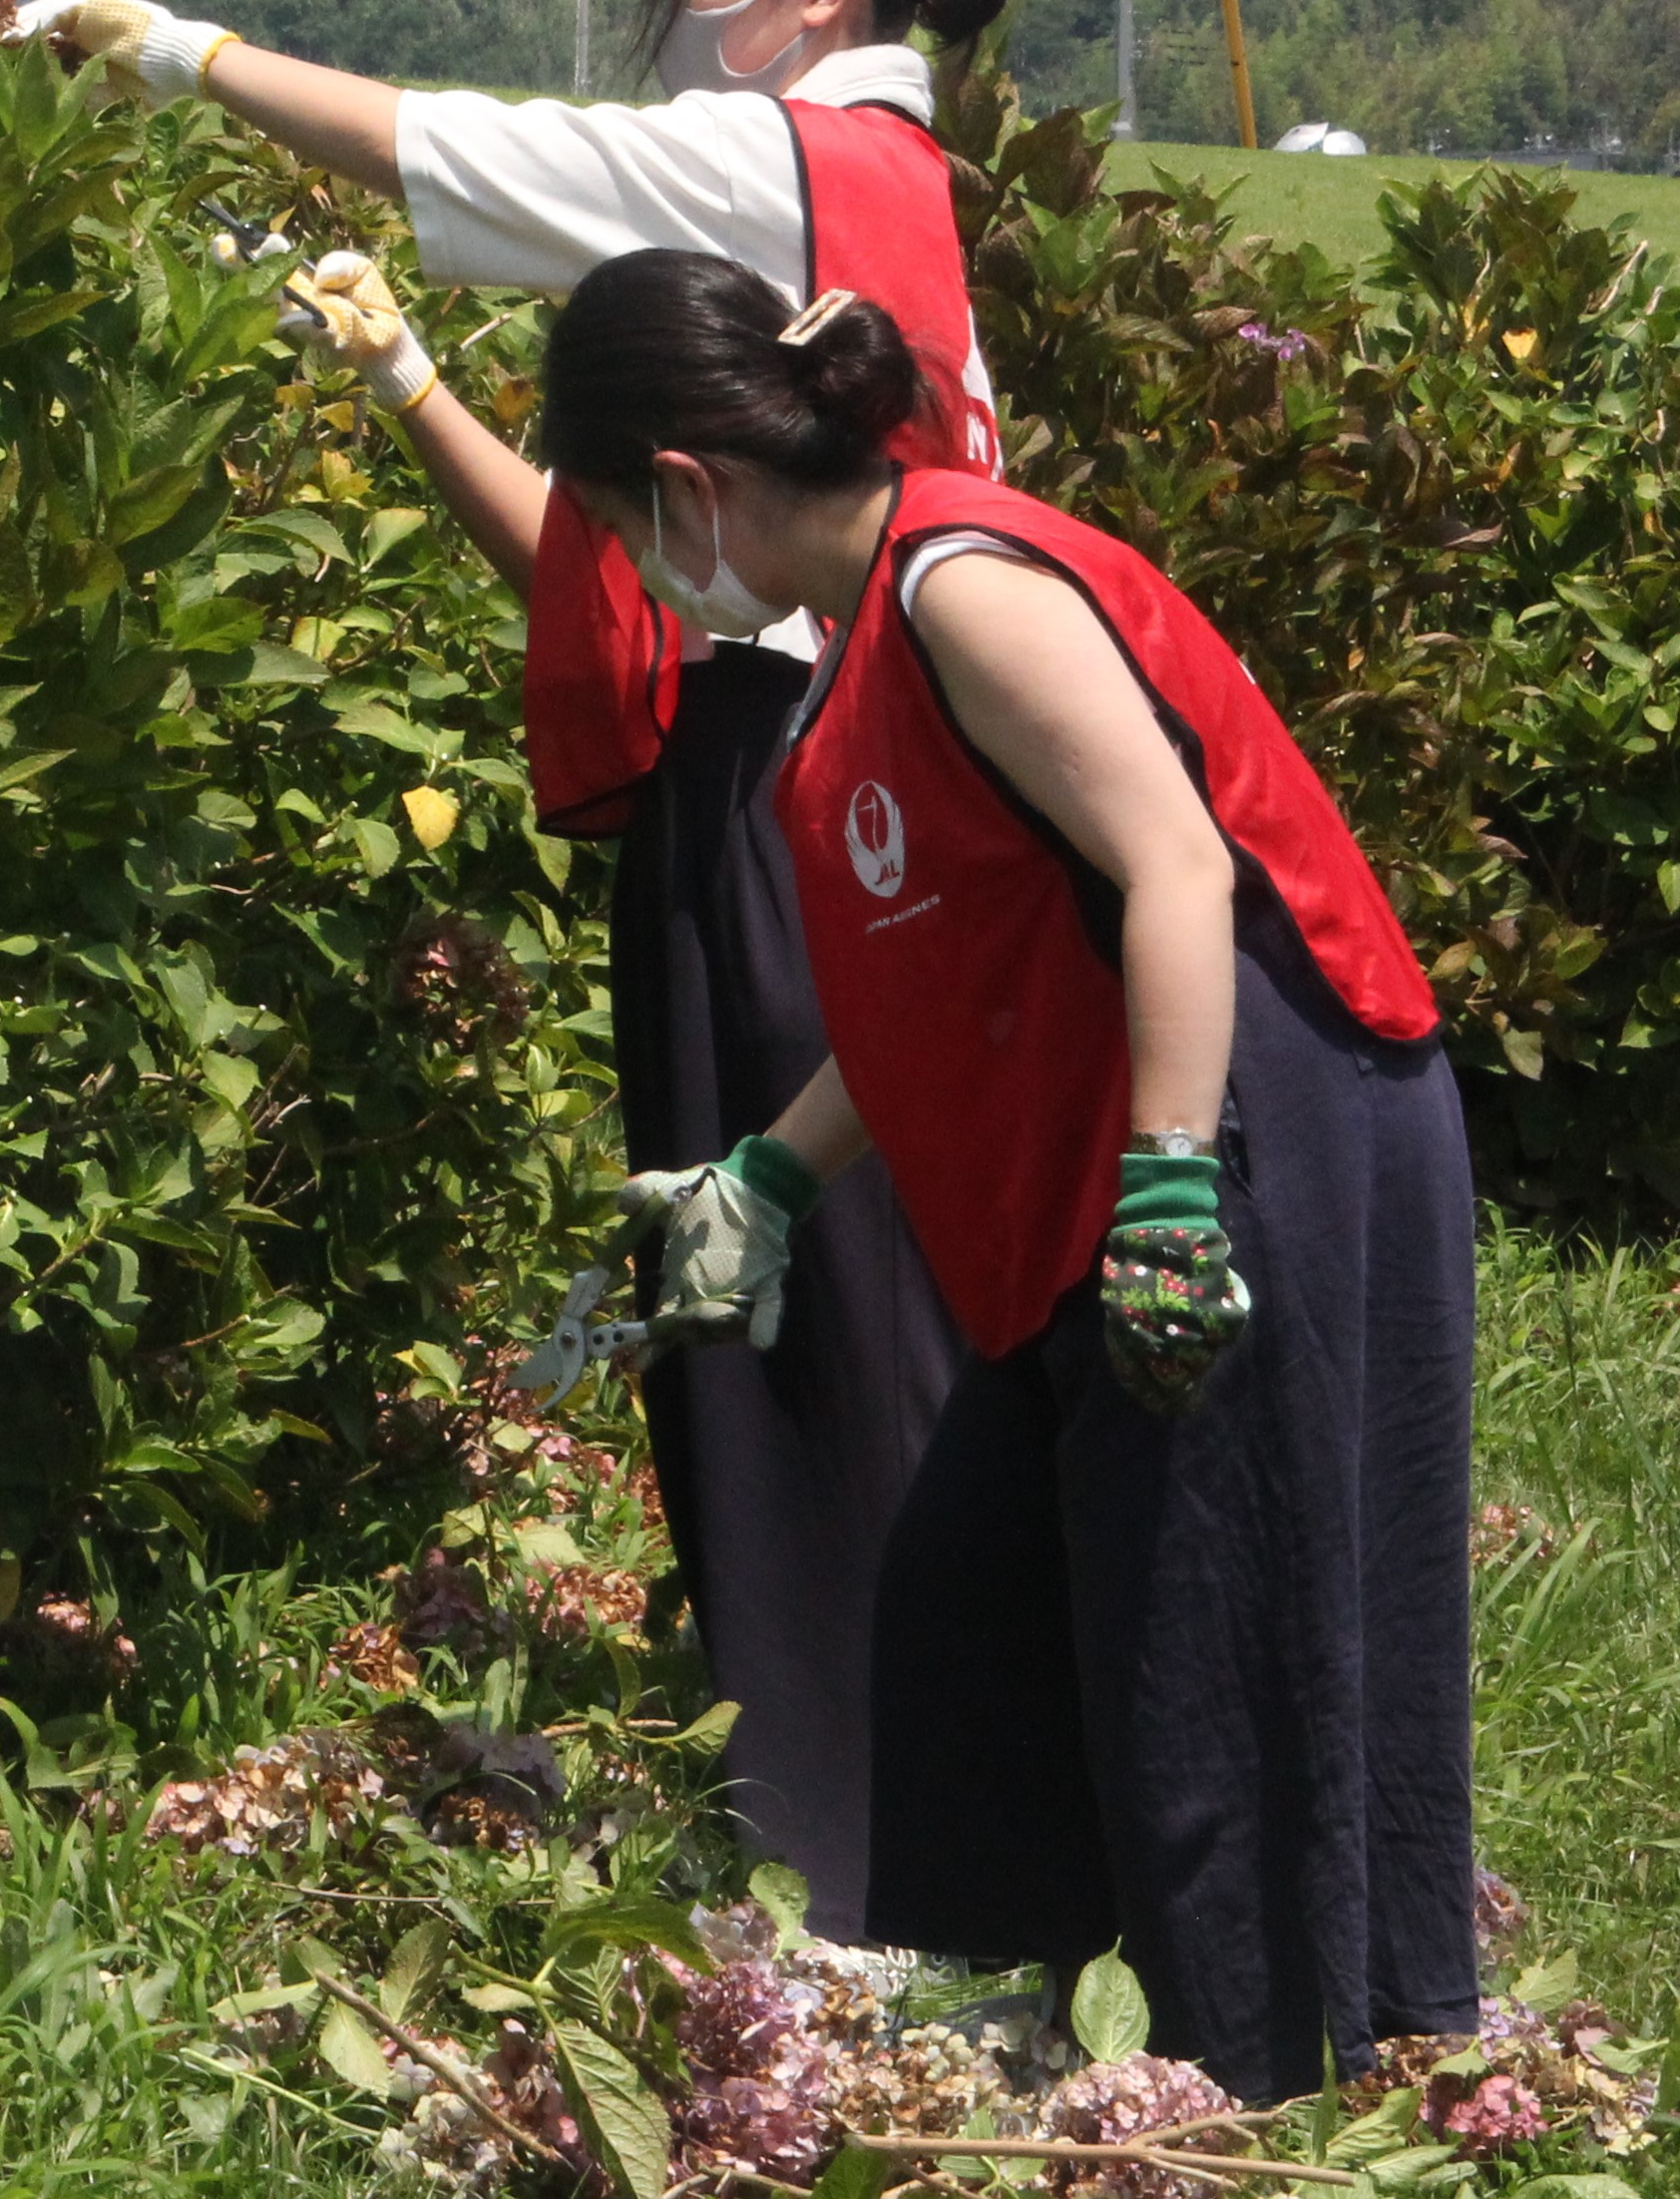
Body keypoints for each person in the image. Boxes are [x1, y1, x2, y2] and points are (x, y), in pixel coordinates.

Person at [32, 0, 1005, 1940]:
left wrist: (181, 48)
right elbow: (627, 588)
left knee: (792, 1299)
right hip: (805, 773)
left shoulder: (793, 157)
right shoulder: (872, 200)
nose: (683, 19)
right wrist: (395, 372)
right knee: (788, 1285)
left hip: (779, 789)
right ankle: (868, 1796)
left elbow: (464, 148)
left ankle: (851, 1844)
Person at [525, 250, 1476, 2103]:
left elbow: (1178, 871)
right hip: (1121, 1141)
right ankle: (1020, 2028)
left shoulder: (958, 585)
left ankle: (1261, 2087)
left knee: (1211, 1640)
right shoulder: (850, 650)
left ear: (688, 485)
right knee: (975, 1594)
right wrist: (768, 1181)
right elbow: (933, 975)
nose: (635, 577)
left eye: (620, 527)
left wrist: (1177, 1190)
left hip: (1253, 1118)